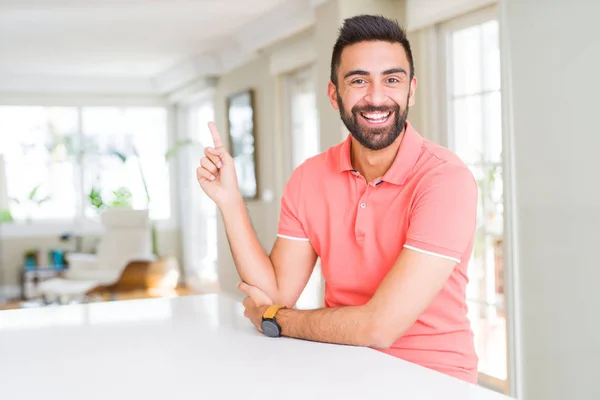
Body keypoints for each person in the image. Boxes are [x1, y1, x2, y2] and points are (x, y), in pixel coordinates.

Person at [196, 14, 479, 384]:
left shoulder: (445, 180)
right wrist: (230, 201)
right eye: (359, 81)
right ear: (335, 94)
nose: (377, 97)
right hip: (341, 368)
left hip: (434, 379)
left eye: (391, 80)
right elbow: (275, 292)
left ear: (411, 90)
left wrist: (278, 319)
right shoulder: (310, 177)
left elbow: (379, 328)